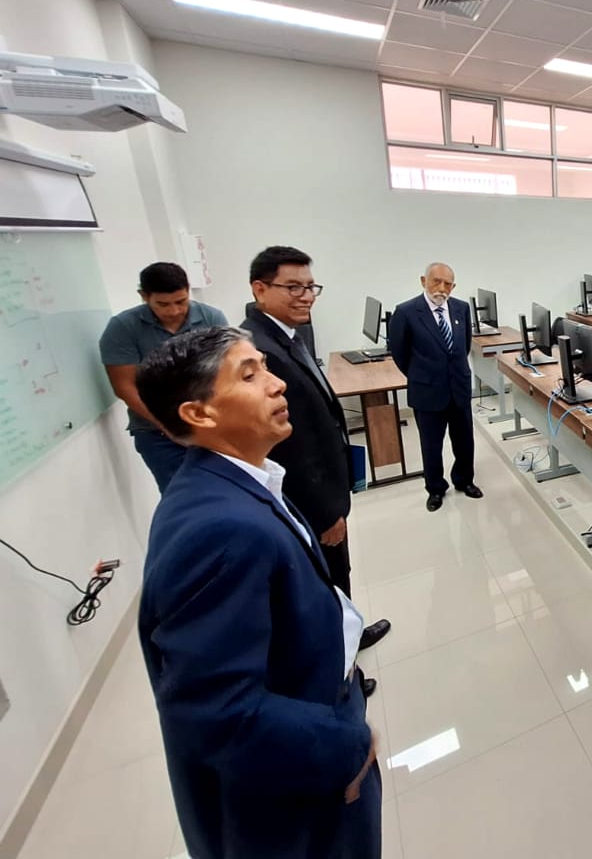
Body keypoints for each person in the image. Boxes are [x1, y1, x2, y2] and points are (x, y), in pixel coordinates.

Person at [135, 327, 380, 859]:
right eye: (249, 375)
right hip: (299, 784)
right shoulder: (219, 528)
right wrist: (348, 743)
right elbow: (216, 712)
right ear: (198, 414)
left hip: (314, 712)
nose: (276, 384)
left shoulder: (238, 481)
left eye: (265, 367)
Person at [241, 246, 391, 678]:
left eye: (310, 287)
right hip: (311, 496)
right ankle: (340, 673)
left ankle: (348, 635)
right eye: (293, 287)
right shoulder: (260, 348)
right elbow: (291, 445)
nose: (306, 296)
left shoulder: (293, 333)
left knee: (336, 573)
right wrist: (326, 511)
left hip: (325, 483)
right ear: (259, 289)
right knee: (323, 579)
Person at [98, 261, 227, 491]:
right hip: (157, 433)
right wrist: (169, 426)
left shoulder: (211, 318)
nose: (174, 311)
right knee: (184, 495)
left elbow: (227, 372)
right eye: (163, 304)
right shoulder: (122, 327)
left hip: (211, 423)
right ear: (144, 296)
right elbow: (125, 387)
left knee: (228, 489)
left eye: (181, 301)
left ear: (188, 291)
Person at [388, 262, 482, 512]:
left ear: (454, 286)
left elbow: (463, 346)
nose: (441, 288)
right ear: (424, 281)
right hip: (427, 391)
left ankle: (464, 480)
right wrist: (422, 375)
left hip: (459, 387)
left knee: (464, 441)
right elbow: (399, 353)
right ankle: (435, 488)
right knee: (431, 445)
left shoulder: (461, 308)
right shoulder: (406, 312)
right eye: (436, 281)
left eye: (447, 284)